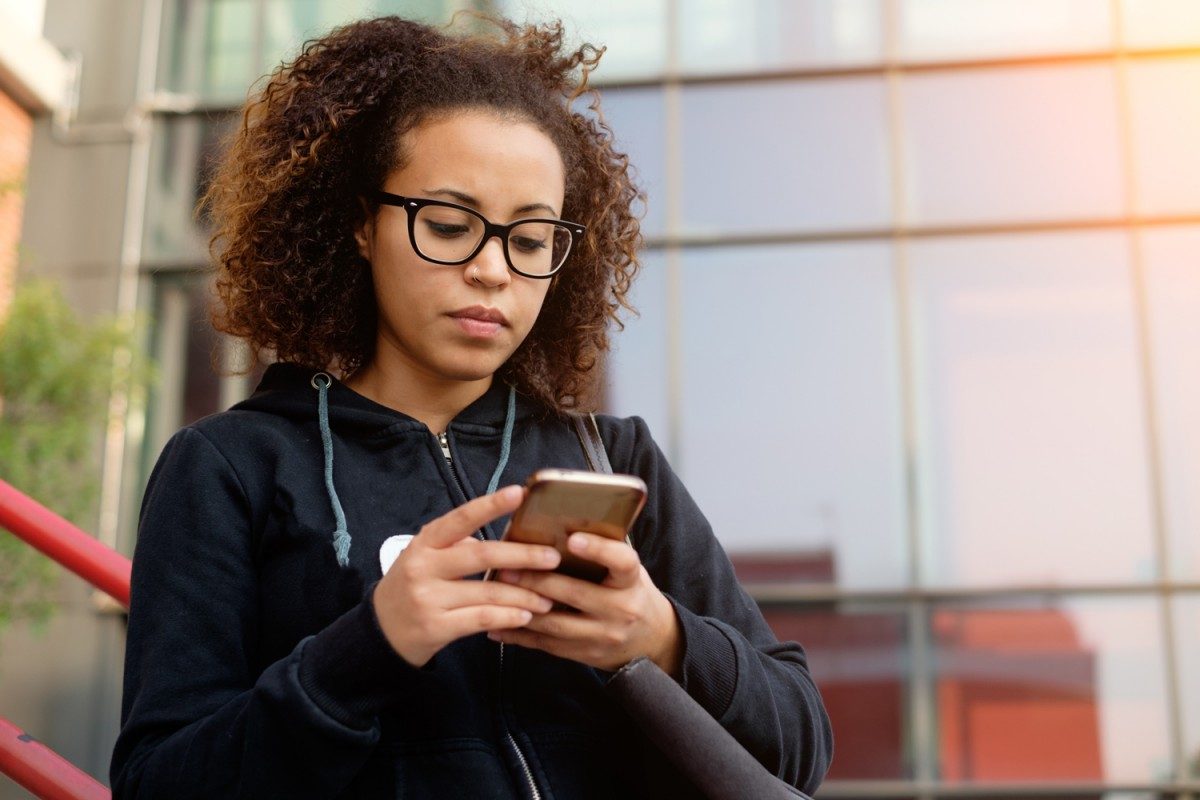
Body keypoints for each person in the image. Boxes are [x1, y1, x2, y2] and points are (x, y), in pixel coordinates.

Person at [110, 14, 832, 799]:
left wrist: (659, 635)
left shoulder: (614, 457)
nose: (493, 271)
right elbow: (158, 782)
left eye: (529, 242)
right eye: (450, 226)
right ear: (359, 225)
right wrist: (371, 645)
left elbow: (800, 750)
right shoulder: (232, 467)